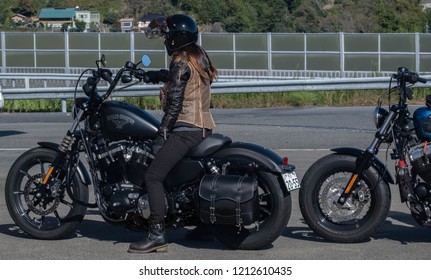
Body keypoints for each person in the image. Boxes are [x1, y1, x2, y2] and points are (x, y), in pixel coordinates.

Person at [128, 14, 218, 254]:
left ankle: (157, 235)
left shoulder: (180, 61)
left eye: (167, 35)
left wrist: (162, 133)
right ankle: (205, 226)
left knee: (154, 176)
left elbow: (175, 103)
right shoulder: (198, 56)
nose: (165, 39)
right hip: (204, 126)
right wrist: (154, 76)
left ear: (176, 37)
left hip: (186, 128)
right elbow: (182, 81)